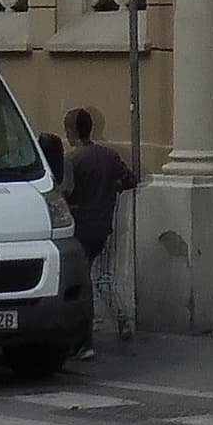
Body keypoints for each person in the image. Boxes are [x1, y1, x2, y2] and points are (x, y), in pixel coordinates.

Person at [60, 107, 137, 357]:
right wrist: (111, 187)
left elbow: (65, 194)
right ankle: (122, 318)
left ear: (71, 131)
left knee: (82, 284)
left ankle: (84, 341)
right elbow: (130, 180)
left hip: (80, 228)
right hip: (104, 226)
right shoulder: (109, 156)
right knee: (102, 276)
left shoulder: (72, 161)